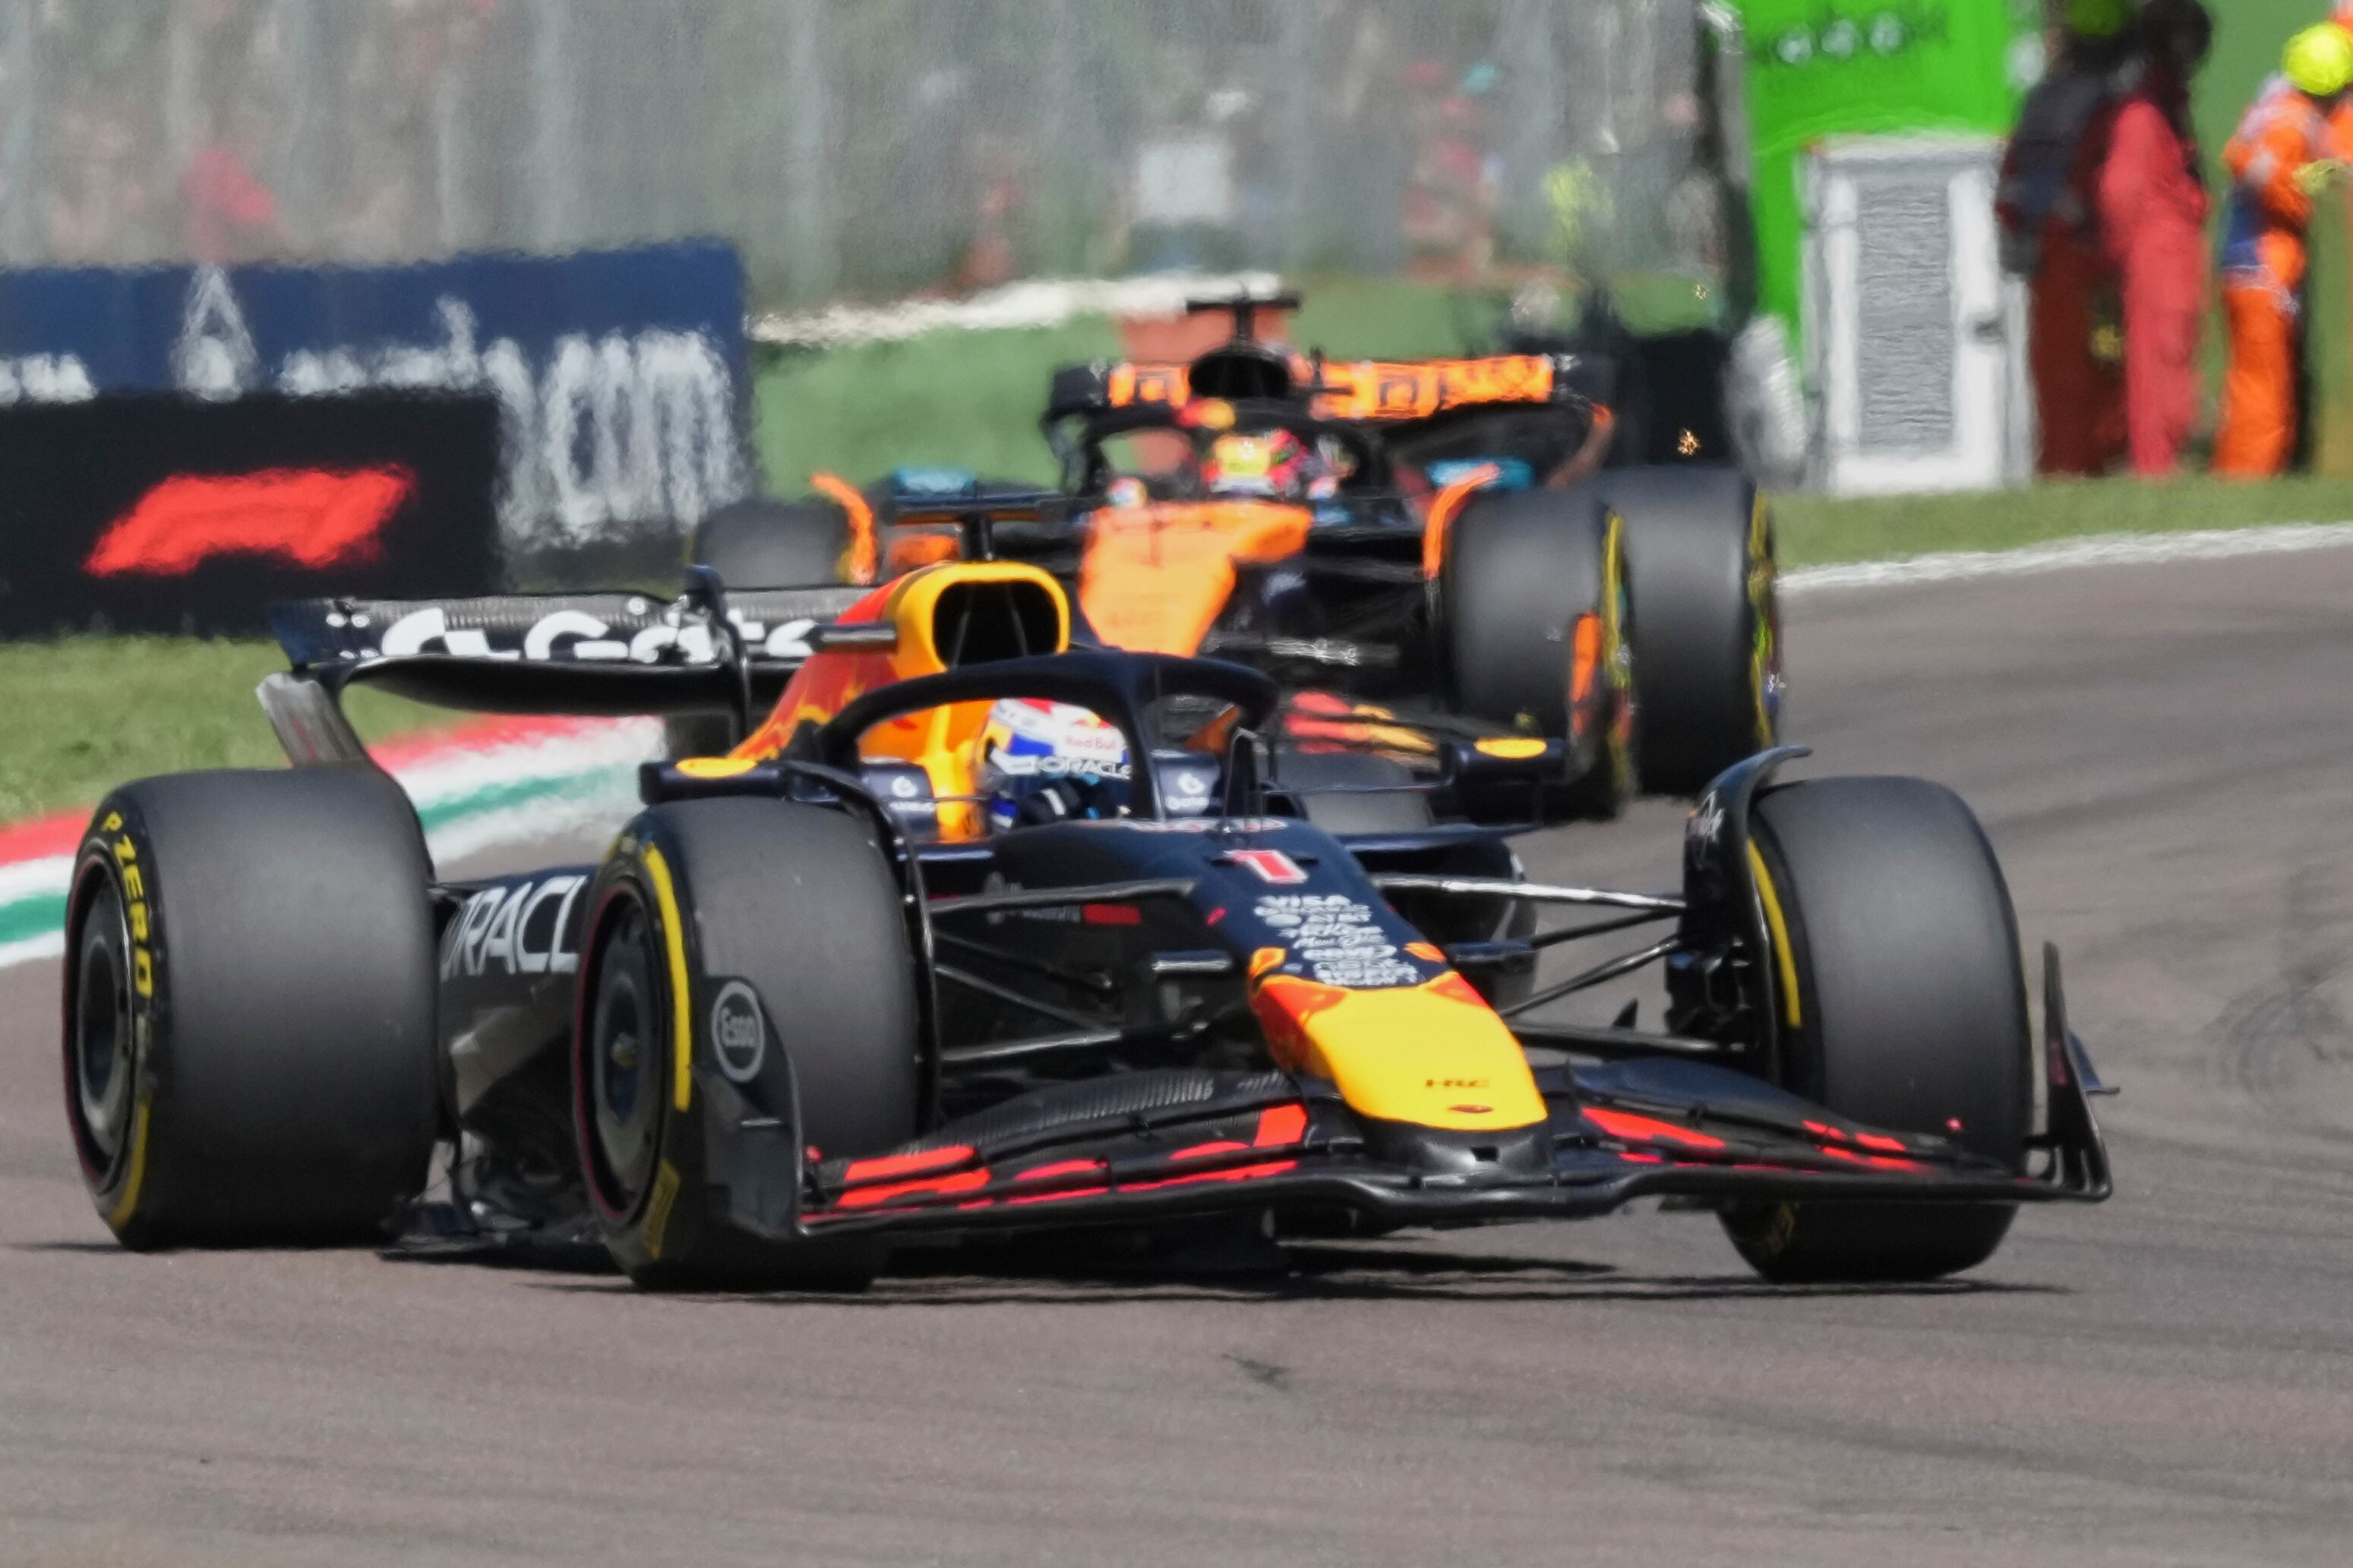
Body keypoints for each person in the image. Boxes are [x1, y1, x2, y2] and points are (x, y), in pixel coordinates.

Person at [1997, 0, 2139, 475]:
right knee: (2103, 358)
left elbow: (2014, 179)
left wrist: (2016, 232)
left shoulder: (2042, 99)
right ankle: (2093, 458)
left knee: (2058, 367)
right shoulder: (2112, 103)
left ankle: (2065, 462)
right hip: (2088, 251)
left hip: (2049, 252)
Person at [2214, 24, 2353, 477]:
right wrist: (2313, 184)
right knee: (2262, 389)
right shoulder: (2293, 124)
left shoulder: (2272, 107)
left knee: (2258, 383)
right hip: (2263, 265)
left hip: (2248, 262)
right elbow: (2267, 179)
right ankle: (2249, 480)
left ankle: (2253, 473)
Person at [2099, 0, 2214, 477]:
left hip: (2175, 255)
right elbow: (2119, 194)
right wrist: (2119, 258)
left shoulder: (2168, 105)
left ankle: (2168, 460)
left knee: (2177, 357)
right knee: (2156, 363)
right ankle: (2156, 468)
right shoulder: (2143, 114)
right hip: (2157, 256)